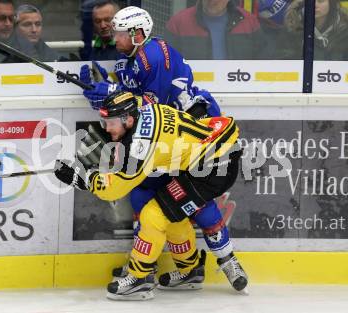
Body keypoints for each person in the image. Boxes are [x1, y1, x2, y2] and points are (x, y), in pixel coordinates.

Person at [79, 6, 247, 292]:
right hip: (163, 143)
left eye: (120, 32)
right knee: (146, 197)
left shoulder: (154, 56)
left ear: (138, 34)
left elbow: (154, 106)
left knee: (195, 203)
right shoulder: (128, 58)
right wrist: (104, 91)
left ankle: (227, 260)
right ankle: (149, 262)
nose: (113, 37)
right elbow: (131, 108)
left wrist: (110, 94)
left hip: (194, 140)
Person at [53, 90, 246, 300]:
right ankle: (189, 271)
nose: (106, 128)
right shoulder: (145, 110)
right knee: (171, 214)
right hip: (213, 155)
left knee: (153, 216)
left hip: (212, 170)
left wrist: (83, 179)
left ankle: (139, 279)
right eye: (104, 121)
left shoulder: (139, 146)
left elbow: (113, 190)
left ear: (127, 119)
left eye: (111, 122)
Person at [164, 0, 266, 60]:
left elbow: (263, 65)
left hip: (240, 90)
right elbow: (166, 66)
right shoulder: (178, 23)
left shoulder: (249, 22)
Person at [277, 0, 348, 60]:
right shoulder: (291, 29)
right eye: (309, 1)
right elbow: (284, 62)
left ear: (331, 3)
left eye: (320, 1)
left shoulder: (345, 31)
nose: (314, 5)